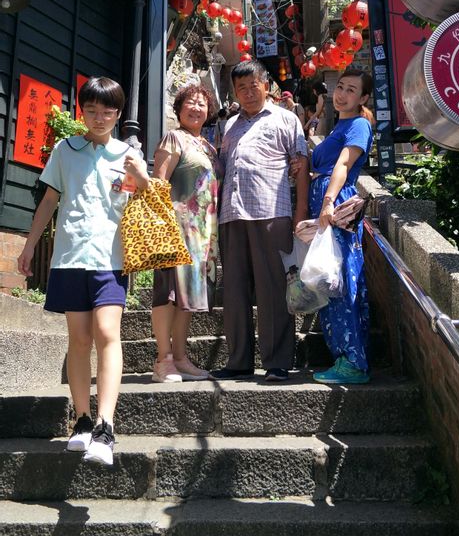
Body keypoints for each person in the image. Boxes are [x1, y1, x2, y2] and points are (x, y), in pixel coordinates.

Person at [17, 77, 149, 465]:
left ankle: (106, 427)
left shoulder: (128, 154)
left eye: (107, 111)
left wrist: (140, 176)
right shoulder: (65, 150)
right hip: (71, 255)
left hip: (112, 258)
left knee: (108, 332)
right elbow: (49, 200)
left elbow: (146, 197)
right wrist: (29, 245)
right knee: (78, 339)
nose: (99, 117)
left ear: (119, 114)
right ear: (81, 111)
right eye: (91, 110)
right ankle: (82, 420)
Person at [212, 60, 309, 382]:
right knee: (235, 291)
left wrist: (300, 215)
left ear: (266, 85)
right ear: (235, 93)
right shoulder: (230, 125)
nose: (248, 92)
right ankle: (238, 360)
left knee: (272, 289)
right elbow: (223, 168)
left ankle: (277, 361)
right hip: (231, 213)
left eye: (254, 85)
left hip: (272, 211)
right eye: (241, 88)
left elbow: (301, 166)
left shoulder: (286, 119)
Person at [151, 84, 221, 382]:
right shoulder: (173, 138)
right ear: (179, 109)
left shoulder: (208, 147)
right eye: (190, 102)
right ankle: (162, 360)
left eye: (202, 103)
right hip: (175, 227)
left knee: (188, 298)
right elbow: (157, 182)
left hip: (201, 234)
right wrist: (162, 221)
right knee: (167, 295)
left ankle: (180, 358)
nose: (196, 107)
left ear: (209, 111)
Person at [308, 69, 373, 385]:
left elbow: (344, 165)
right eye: (341, 87)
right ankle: (343, 358)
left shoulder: (359, 125)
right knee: (328, 279)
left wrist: (328, 201)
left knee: (341, 280)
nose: (343, 93)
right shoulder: (338, 126)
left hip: (337, 208)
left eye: (352, 90)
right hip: (326, 206)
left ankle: (353, 362)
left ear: (362, 98)